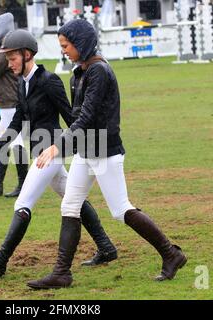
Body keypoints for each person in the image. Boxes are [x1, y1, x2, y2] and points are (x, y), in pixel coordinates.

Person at [27, 19, 187, 289]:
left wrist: (57, 146)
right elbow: (77, 117)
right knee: (70, 205)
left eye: (66, 45)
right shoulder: (79, 73)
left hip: (105, 151)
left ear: (81, 43)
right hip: (86, 151)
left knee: (120, 209)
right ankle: (61, 273)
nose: (63, 50)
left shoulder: (99, 72)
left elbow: (86, 118)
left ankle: (171, 254)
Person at [0, 29, 118, 279]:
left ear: (27, 55)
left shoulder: (49, 81)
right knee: (71, 195)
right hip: (40, 150)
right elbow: (17, 120)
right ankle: (106, 246)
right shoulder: (21, 83)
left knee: (23, 202)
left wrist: (69, 144)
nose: (9, 64)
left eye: (13, 58)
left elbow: (72, 116)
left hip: (50, 151)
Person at [0, 13, 28, 197]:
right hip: (9, 102)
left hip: (10, 103)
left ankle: (23, 184)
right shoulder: (10, 47)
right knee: (2, 141)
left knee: (14, 141)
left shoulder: (4, 51)